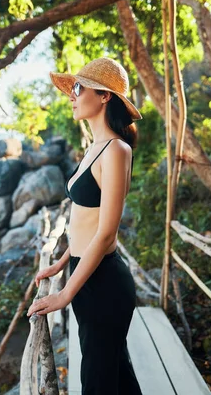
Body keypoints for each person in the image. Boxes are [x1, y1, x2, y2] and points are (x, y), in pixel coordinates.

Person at [26, 57, 143, 395]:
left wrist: (64, 294)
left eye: (78, 88)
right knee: (114, 374)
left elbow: (106, 232)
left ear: (105, 96)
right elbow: (83, 221)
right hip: (84, 272)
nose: (72, 96)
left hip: (103, 282)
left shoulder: (116, 150)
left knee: (97, 379)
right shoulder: (94, 147)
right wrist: (61, 263)